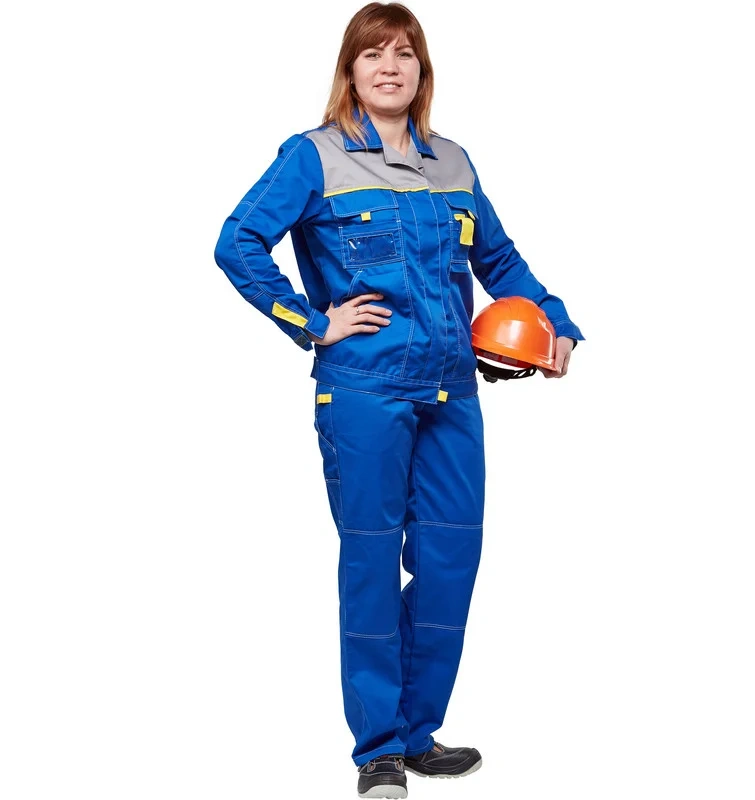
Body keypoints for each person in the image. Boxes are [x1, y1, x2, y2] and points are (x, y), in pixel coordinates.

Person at [214, 3, 584, 797]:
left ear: (423, 70)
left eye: (405, 53)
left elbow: (499, 260)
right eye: (373, 53)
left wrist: (556, 322)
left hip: (453, 393)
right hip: (363, 392)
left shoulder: (453, 161)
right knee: (373, 565)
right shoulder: (312, 156)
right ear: (350, 70)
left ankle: (419, 732)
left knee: (451, 561)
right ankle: (378, 748)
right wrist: (312, 322)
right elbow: (236, 242)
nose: (390, 66)